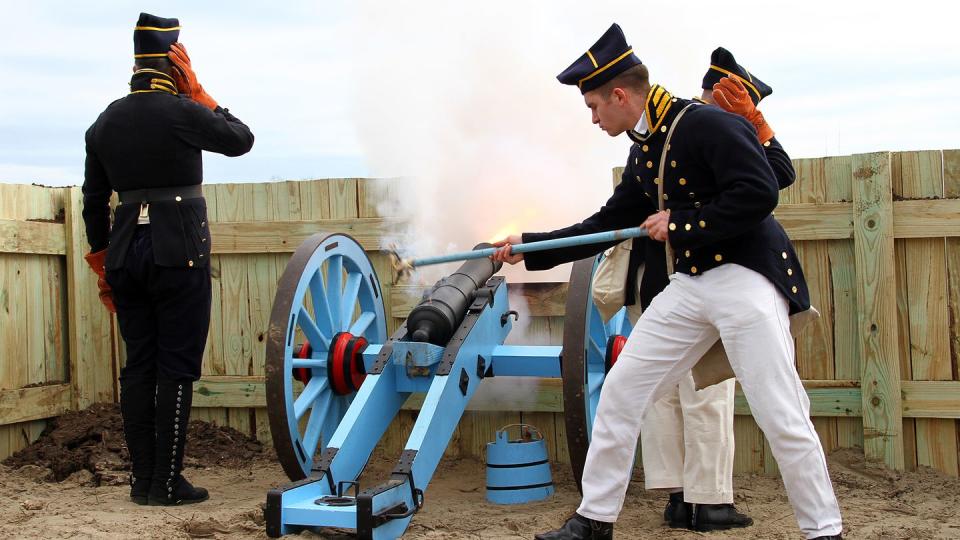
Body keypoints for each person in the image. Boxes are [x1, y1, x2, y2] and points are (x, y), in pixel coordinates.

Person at [491, 24, 842, 540]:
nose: (592, 119)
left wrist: (681, 224)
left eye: (593, 107)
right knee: (621, 391)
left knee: (781, 411)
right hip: (692, 284)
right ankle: (594, 520)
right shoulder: (644, 152)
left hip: (746, 278)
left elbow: (761, 191)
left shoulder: (704, 125)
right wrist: (528, 245)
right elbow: (600, 228)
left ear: (618, 94)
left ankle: (824, 529)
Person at [81, 13, 254, 506]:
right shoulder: (182, 110)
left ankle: (141, 483)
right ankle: (167, 484)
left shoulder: (105, 121)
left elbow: (93, 202)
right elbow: (241, 139)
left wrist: (102, 262)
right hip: (178, 252)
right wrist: (199, 92)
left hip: (124, 256)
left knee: (139, 367)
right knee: (176, 366)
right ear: (175, 64)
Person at [631, 47, 796, 532]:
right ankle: (709, 503)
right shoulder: (716, 130)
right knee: (709, 389)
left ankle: (678, 498)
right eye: (744, 99)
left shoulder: (673, 130)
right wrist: (759, 126)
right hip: (702, 273)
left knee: (661, 390)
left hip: (656, 277)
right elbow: (778, 176)